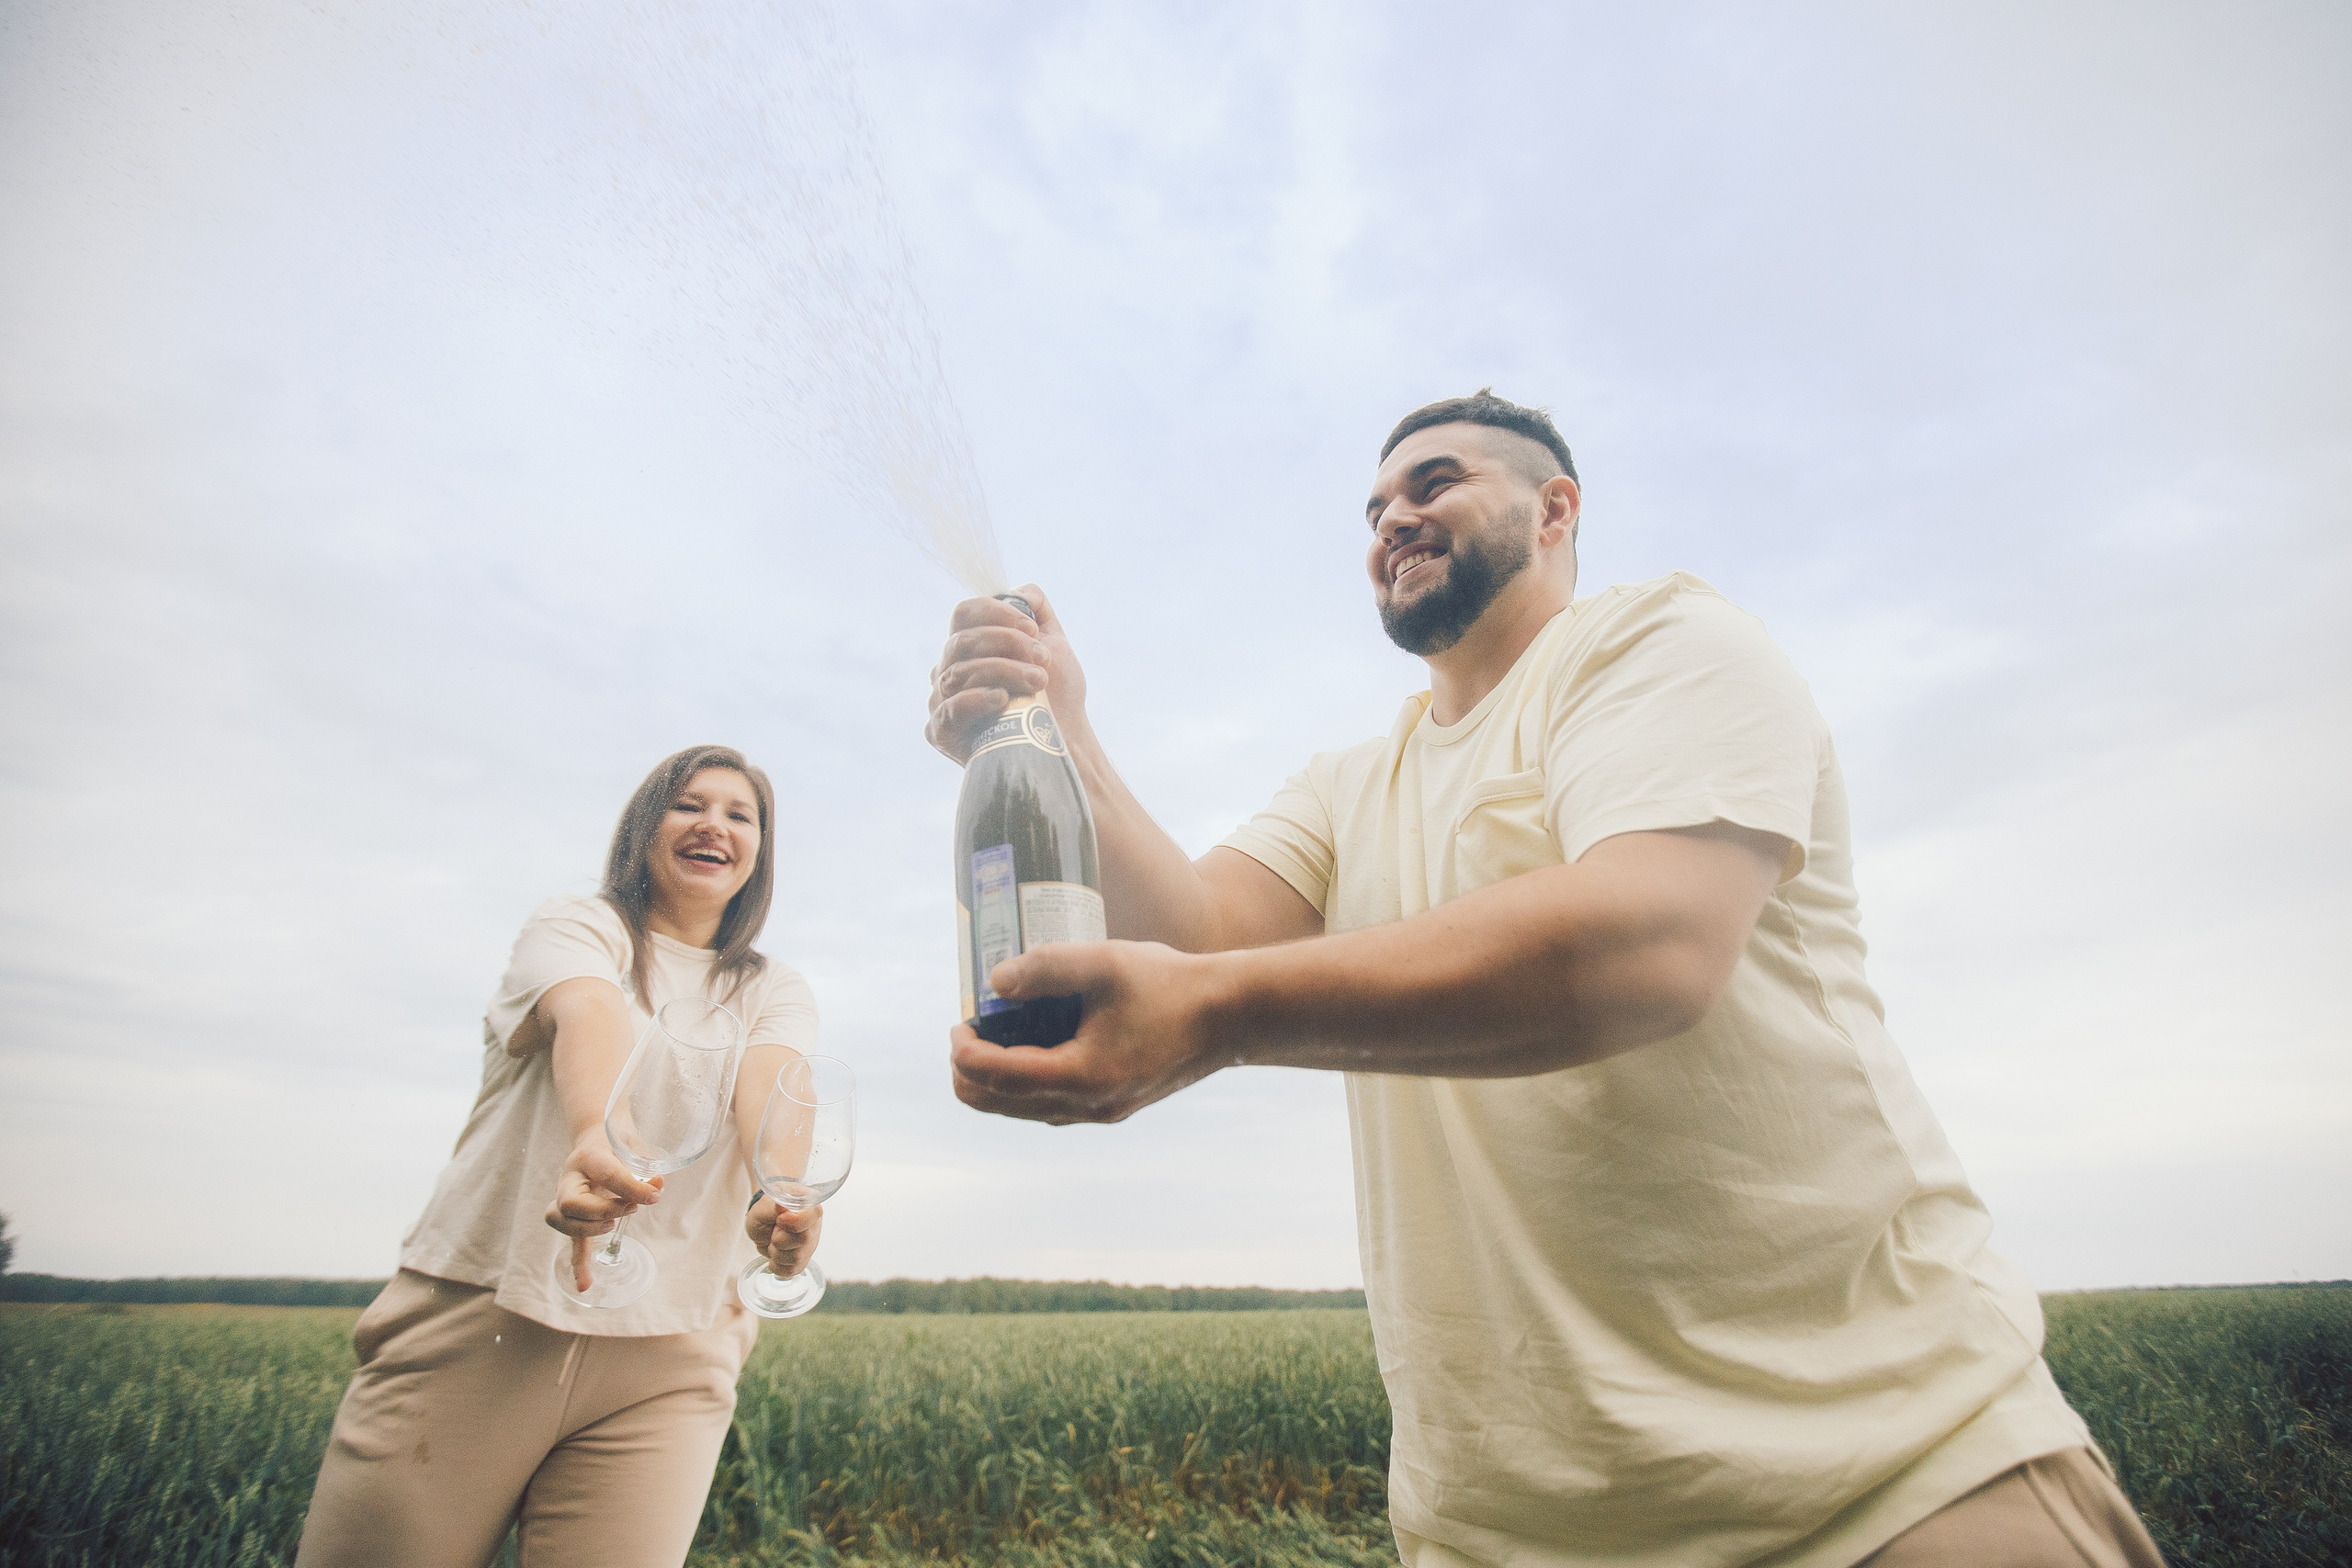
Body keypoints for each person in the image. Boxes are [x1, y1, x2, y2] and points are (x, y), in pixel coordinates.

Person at [923, 391, 2166, 1568]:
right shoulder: (1348, 781)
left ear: (1556, 507)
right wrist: (1060, 724)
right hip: (1507, 1532)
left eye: (1434, 480)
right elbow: (1197, 936)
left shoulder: (1664, 643)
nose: (1391, 518)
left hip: (1887, 1487)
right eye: (1371, 509)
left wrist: (1226, 1015)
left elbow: (1649, 940)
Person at [297, 744, 825, 1568]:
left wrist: (780, 1190)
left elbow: (774, 1087)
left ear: (759, 850)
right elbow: (587, 1011)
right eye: (690, 803)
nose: (714, 823)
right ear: (646, 827)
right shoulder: (578, 926)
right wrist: (599, 1137)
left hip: (675, 1350)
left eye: (739, 812)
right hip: (485, 1321)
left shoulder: (771, 986)